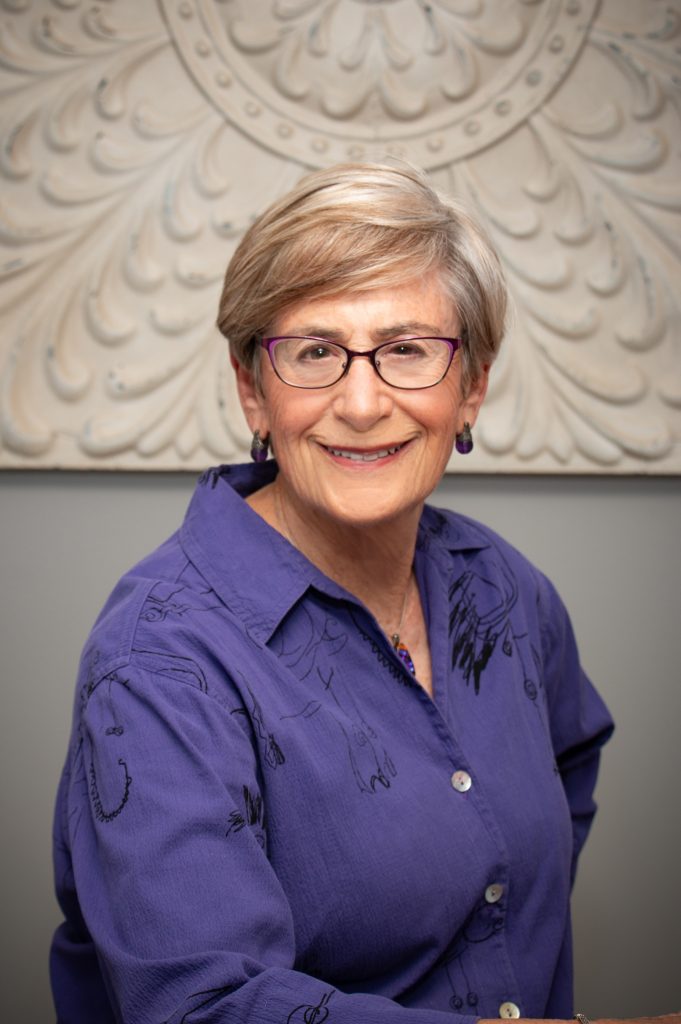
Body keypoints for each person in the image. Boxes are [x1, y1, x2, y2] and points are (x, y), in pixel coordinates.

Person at [51, 162, 617, 1024]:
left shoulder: (501, 588)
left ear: (471, 387)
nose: (361, 402)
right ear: (253, 389)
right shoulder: (159, 660)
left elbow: (569, 762)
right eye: (314, 352)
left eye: (406, 351)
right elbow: (203, 1007)